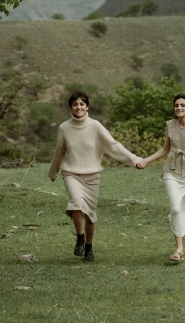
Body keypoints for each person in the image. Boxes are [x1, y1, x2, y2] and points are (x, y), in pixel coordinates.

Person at [48, 91, 143, 262]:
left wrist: (134, 160)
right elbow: (59, 150)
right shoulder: (64, 127)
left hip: (92, 175)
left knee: (90, 215)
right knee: (77, 204)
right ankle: (80, 238)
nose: (79, 107)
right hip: (71, 173)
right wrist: (54, 171)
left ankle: (89, 248)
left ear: (87, 106)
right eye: (75, 104)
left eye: (82, 104)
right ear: (71, 107)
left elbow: (113, 146)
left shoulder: (95, 126)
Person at [138, 94, 185, 262]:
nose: (179, 108)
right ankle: (178, 248)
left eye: (182, 105)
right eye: (176, 105)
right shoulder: (170, 126)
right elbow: (165, 149)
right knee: (176, 208)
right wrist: (145, 160)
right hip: (171, 171)